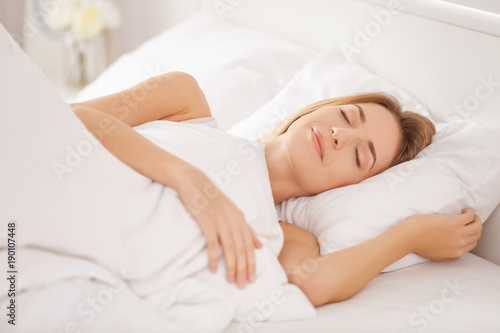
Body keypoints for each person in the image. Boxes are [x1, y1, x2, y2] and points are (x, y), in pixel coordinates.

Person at [71, 71, 482, 307]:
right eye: (346, 116)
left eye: (360, 157)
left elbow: (316, 284)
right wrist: (190, 180)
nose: (340, 134)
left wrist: (408, 234)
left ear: (351, 186)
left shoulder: (288, 237)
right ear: (316, 109)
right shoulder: (184, 103)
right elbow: (67, 118)